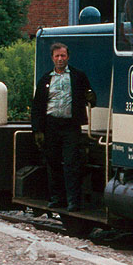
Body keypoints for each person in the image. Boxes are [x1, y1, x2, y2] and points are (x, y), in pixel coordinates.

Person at [31, 42, 93, 212]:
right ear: (52, 58)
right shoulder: (45, 79)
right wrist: (37, 130)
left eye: (63, 56)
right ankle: (57, 198)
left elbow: (90, 97)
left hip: (70, 126)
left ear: (68, 57)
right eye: (57, 56)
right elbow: (37, 106)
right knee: (53, 162)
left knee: (72, 163)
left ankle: (73, 200)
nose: (60, 59)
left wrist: (90, 97)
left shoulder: (78, 76)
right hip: (51, 126)